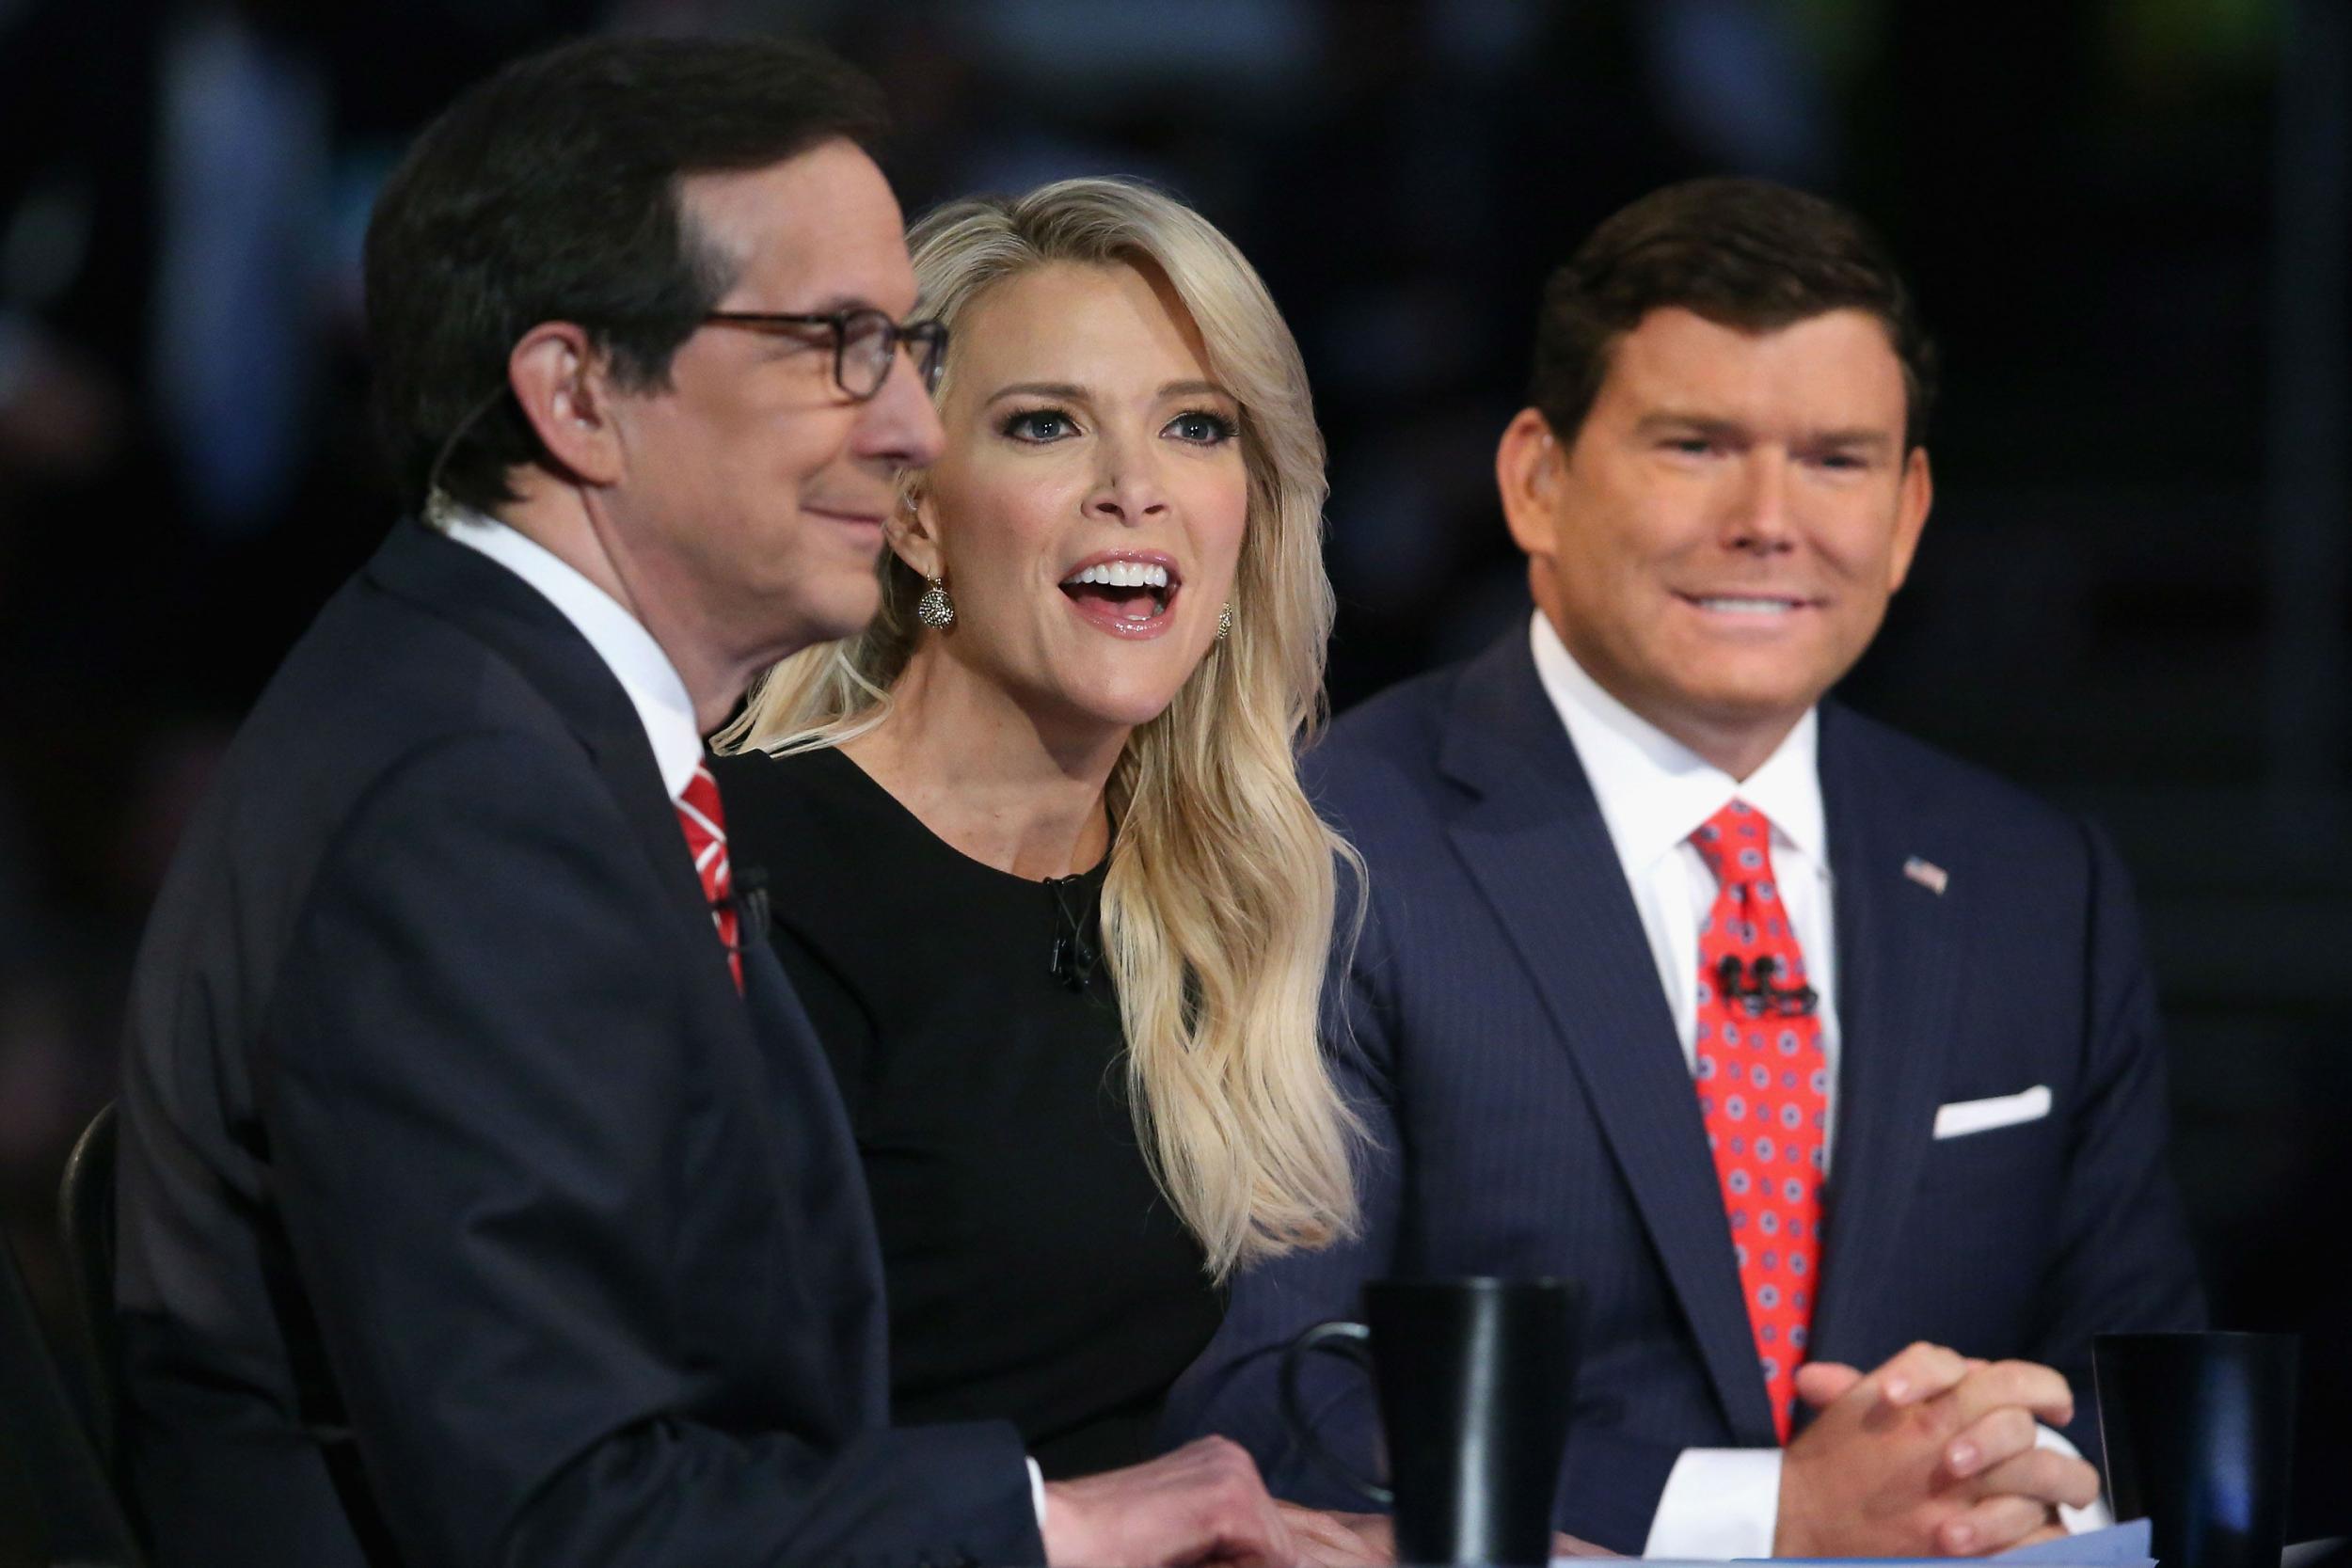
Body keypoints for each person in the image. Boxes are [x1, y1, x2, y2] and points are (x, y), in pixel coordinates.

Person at [114, 38, 1316, 1568]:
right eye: (835, 345)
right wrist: (1053, 1521)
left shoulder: (520, 732)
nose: (899, 428)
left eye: (899, 349)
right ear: (576, 393)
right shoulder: (469, 801)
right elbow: (558, 1515)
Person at [1168, 177, 2205, 1557]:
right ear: (1537, 479)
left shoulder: (2034, 881)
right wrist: (1773, 1516)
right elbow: (1270, 1399)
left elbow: (2142, 1373)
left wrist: (1993, 1463)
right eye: (1697, 445)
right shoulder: (1327, 848)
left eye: (1836, 460)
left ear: (1906, 515)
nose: (1769, 518)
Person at [710, 173, 1375, 1528]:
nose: (1135, 489)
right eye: (1045, 426)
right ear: (913, 513)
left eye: (1195, 427)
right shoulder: (748, 873)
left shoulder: (1204, 894)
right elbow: (660, 1465)